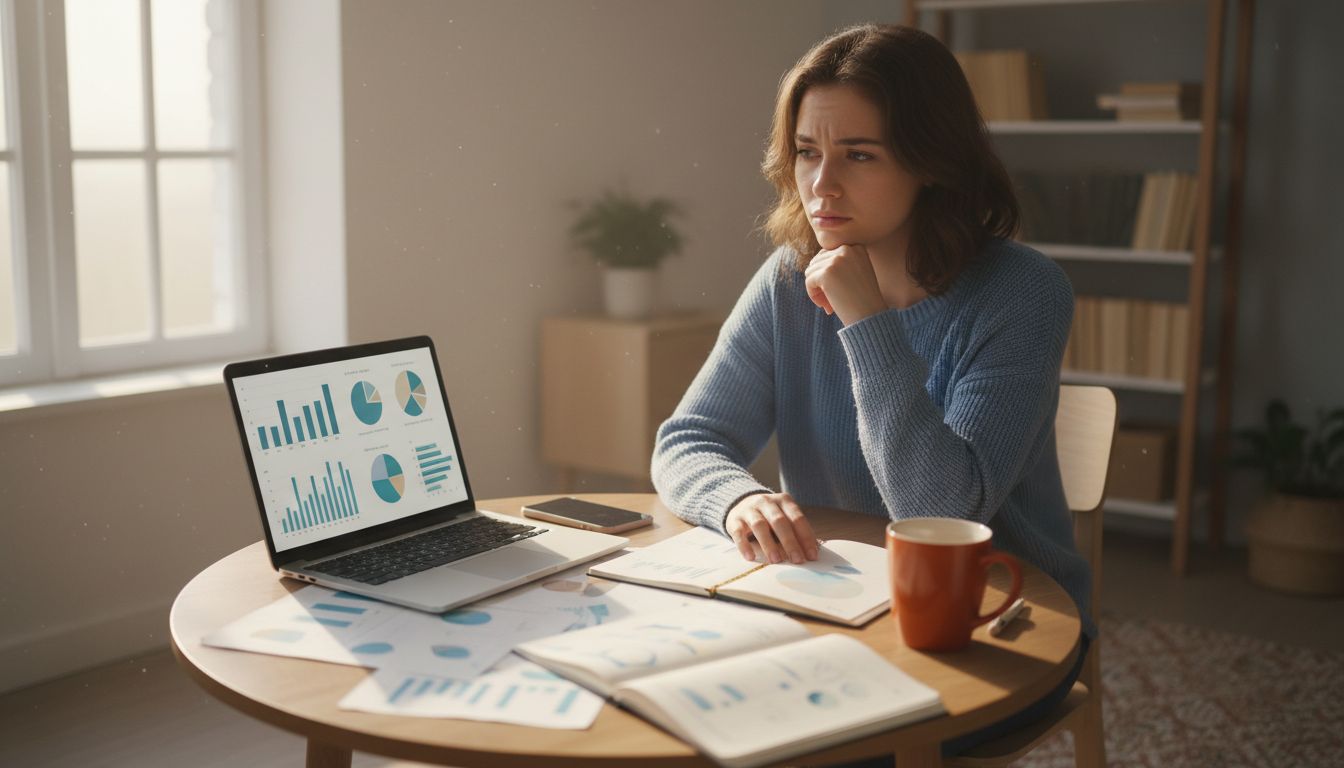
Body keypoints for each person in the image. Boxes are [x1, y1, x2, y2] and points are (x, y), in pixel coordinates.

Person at [649, 23, 1094, 757]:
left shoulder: (1023, 292)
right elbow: (688, 440)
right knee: (678, 710)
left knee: (802, 743)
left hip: (998, 625)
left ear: (932, 163)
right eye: (806, 152)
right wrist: (738, 497)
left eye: (859, 156)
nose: (821, 186)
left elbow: (940, 512)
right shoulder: (790, 280)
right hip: (837, 609)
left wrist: (865, 319)